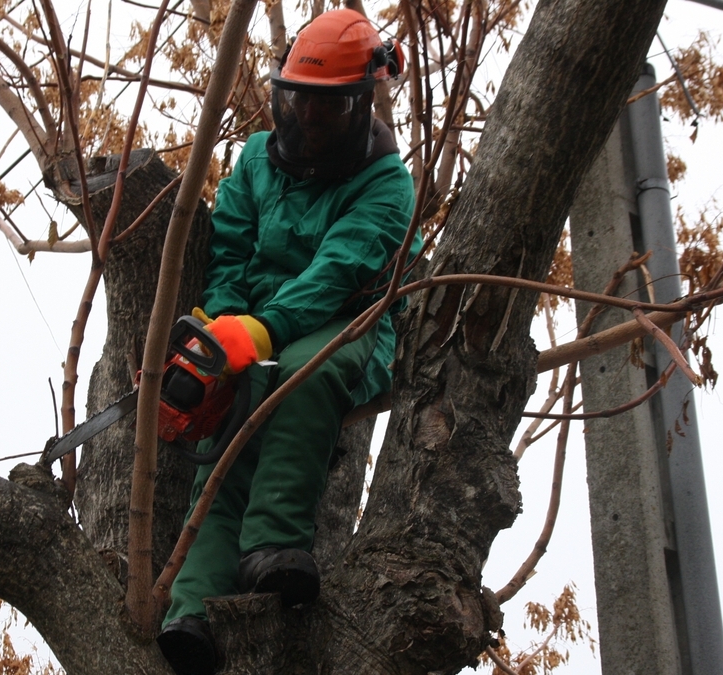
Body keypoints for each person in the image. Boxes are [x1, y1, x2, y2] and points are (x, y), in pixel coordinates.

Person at [156, 9, 421, 675]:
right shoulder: (253, 160)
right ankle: (191, 609)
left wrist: (264, 331)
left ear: (358, 106)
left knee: (304, 371)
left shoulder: (387, 186)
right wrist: (222, 333)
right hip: (254, 327)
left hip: (345, 323)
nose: (303, 116)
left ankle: (272, 545)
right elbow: (230, 253)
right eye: (296, 99)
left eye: (322, 106)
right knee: (226, 441)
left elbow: (338, 274)